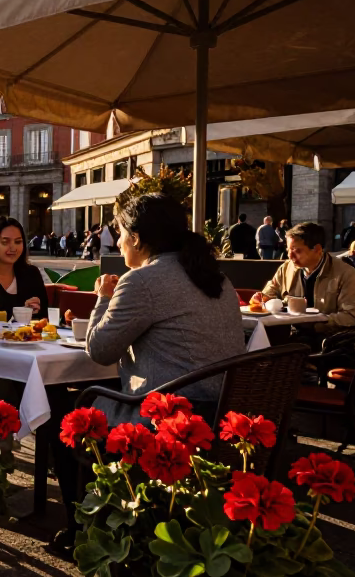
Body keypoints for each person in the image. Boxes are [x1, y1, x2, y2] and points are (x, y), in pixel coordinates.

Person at [53, 194, 246, 551]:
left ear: (137, 238)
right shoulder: (216, 278)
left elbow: (99, 350)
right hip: (222, 409)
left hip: (169, 414)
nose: (119, 242)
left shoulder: (141, 281)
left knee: (63, 414)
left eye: (120, 233)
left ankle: (81, 528)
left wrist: (103, 297)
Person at [250, 222, 355, 340]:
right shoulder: (287, 268)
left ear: (317, 249)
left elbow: (353, 317)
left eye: (297, 250)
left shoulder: (345, 274)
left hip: (329, 342)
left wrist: (316, 323)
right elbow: (271, 290)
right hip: (292, 337)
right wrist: (262, 298)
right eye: (288, 249)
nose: (290, 255)